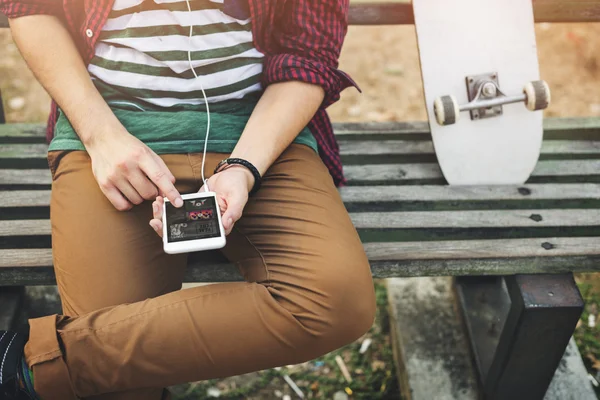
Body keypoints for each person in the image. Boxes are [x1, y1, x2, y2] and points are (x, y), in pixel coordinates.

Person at [0, 0, 376, 399]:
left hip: (263, 131)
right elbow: (31, 7)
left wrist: (244, 166)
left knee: (335, 302)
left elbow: (308, 55)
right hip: (109, 131)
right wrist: (101, 138)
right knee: (119, 387)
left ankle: (23, 365)